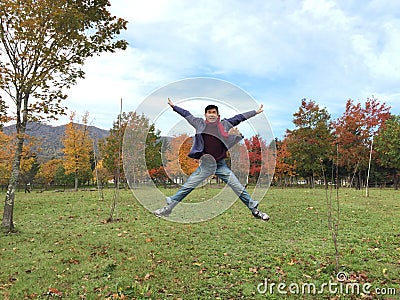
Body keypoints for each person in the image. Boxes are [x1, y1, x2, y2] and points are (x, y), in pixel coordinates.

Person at [154, 98, 270, 221]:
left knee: (238, 187)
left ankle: (255, 211)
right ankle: (168, 209)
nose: (211, 114)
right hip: (205, 165)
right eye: (209, 112)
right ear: (206, 115)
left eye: (213, 112)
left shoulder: (225, 124)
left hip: (220, 165)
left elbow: (239, 117)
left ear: (217, 115)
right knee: (187, 187)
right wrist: (174, 106)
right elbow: (187, 114)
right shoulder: (199, 123)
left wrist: (255, 112)